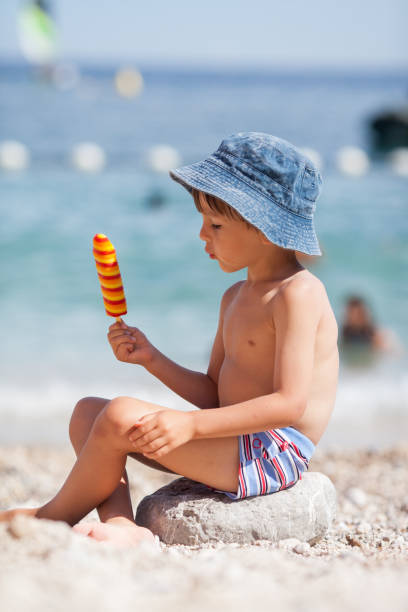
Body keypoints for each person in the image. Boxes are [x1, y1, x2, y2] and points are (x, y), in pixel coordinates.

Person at [0, 132, 339, 548]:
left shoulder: (298, 294)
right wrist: (152, 358)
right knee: (88, 413)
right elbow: (215, 395)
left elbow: (290, 404)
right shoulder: (234, 297)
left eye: (215, 224)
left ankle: (50, 517)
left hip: (273, 452)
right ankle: (123, 523)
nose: (202, 235)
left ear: (264, 229)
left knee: (121, 413)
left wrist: (191, 426)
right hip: (233, 440)